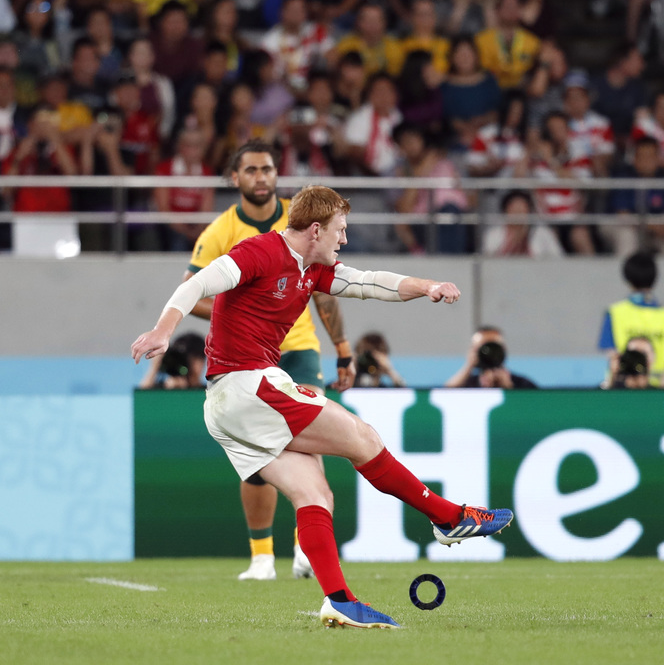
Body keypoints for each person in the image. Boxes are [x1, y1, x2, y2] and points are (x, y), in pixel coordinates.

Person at [132, 184, 512, 628]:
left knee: (315, 495)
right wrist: (163, 331)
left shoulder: (313, 269)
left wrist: (426, 286)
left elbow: (370, 282)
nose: (344, 239)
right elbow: (197, 283)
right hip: (247, 386)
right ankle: (448, 517)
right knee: (362, 437)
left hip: (227, 404)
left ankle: (339, 600)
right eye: (340, 230)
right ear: (316, 229)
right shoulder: (260, 251)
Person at [185, 142, 357, 582]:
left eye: (267, 169)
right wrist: (244, 309)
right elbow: (192, 287)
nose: (261, 177)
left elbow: (323, 288)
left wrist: (341, 346)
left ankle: (306, 546)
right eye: (251, 170)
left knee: (309, 438)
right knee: (259, 457)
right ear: (235, 178)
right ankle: (262, 556)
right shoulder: (221, 230)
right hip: (245, 356)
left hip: (297, 348)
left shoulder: (304, 219)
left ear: (277, 174)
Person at [598, 252, 664, 388]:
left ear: (627, 278)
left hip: (623, 391)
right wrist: (661, 390)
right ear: (655, 278)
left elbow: (613, 355)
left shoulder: (615, 313)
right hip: (658, 393)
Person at [445, 326, 538, 389]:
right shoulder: (468, 383)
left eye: (494, 347)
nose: (489, 352)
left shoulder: (522, 384)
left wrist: (509, 389)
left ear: (503, 349)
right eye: (483, 348)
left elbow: (535, 405)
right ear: (473, 350)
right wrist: (469, 366)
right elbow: (445, 394)